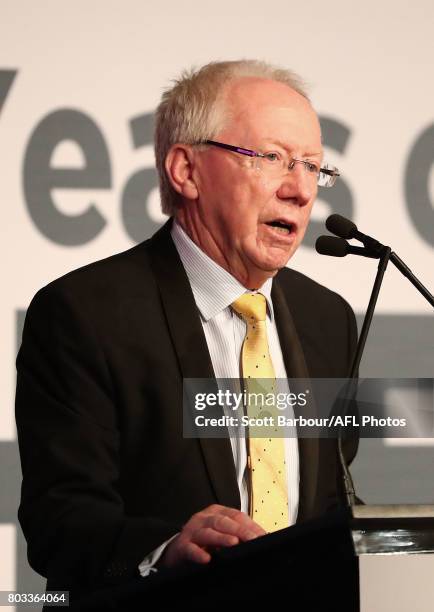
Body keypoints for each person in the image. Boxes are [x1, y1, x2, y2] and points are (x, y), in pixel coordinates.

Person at [15, 60, 358, 600]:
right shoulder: (83, 314)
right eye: (272, 158)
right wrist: (168, 548)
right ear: (186, 170)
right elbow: (60, 520)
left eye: (314, 167)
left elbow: (330, 503)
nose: (300, 190)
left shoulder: (328, 320)